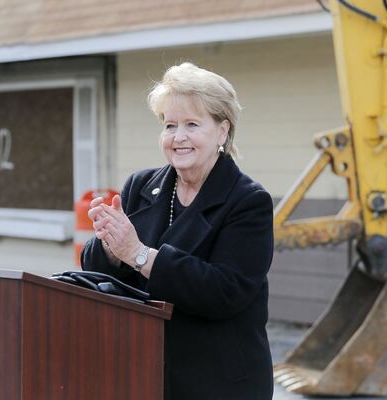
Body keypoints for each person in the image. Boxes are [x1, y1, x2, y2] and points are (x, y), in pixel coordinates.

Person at [80, 62, 274, 399]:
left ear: (222, 131)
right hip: (144, 373)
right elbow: (99, 276)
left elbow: (224, 292)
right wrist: (111, 247)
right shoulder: (140, 186)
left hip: (218, 383)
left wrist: (138, 254)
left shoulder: (248, 201)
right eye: (170, 125)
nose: (178, 137)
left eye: (192, 124)